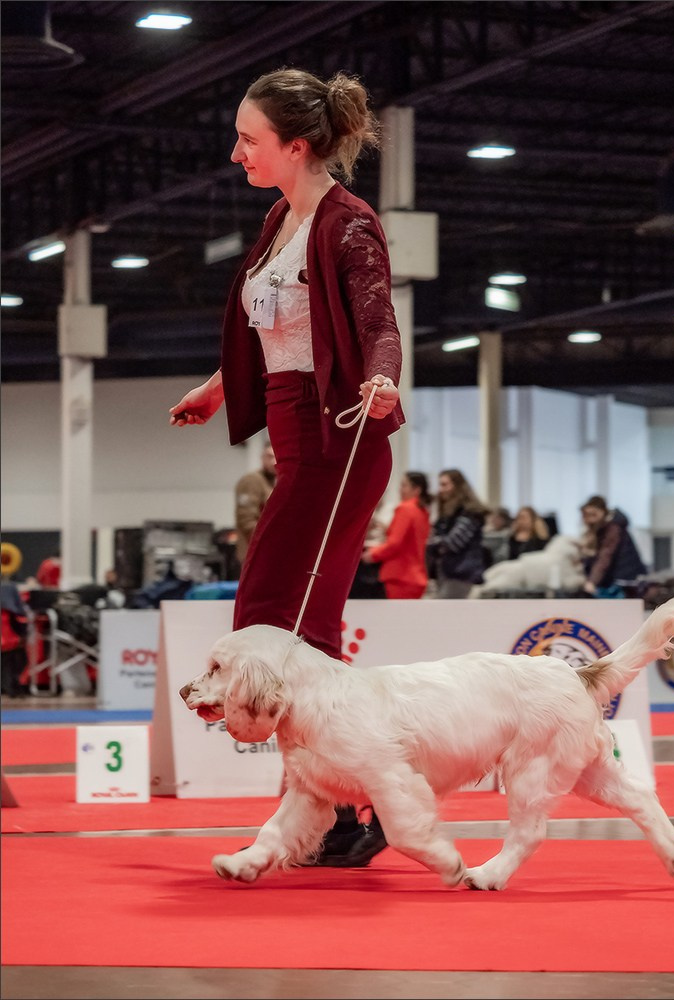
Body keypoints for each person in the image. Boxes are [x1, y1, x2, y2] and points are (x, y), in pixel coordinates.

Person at [168, 68, 404, 867]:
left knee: (271, 627)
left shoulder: (347, 223)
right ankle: (347, 812)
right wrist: (216, 389)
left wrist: (384, 378)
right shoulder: (282, 218)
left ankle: (349, 809)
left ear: (295, 146)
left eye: (249, 139)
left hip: (338, 444)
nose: (236, 152)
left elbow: (377, 321)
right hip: (295, 436)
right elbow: (277, 335)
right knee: (299, 633)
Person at [362, 471, 432, 599]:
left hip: (400, 576)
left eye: (404, 485)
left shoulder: (405, 509)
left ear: (417, 489)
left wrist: (372, 554)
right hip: (416, 575)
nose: (400, 490)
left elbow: (394, 543)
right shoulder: (422, 511)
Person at [427, 469, 489, 599]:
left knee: (445, 612)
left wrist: (431, 543)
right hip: (446, 572)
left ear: (457, 486)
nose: (440, 489)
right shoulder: (446, 513)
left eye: (444, 485)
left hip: (462, 574)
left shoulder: (470, 513)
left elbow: (453, 542)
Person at [579, 495, 647, 597]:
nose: (590, 519)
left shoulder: (613, 528)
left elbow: (605, 556)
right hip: (621, 577)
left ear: (602, 511)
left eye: (593, 514)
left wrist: (592, 582)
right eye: (587, 515)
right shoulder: (602, 528)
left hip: (624, 578)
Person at [234, 442, 277, 564]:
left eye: (276, 456)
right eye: (269, 456)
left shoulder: (274, 481)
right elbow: (247, 520)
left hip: (267, 553)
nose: (273, 461)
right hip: (255, 554)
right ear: (262, 458)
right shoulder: (252, 480)